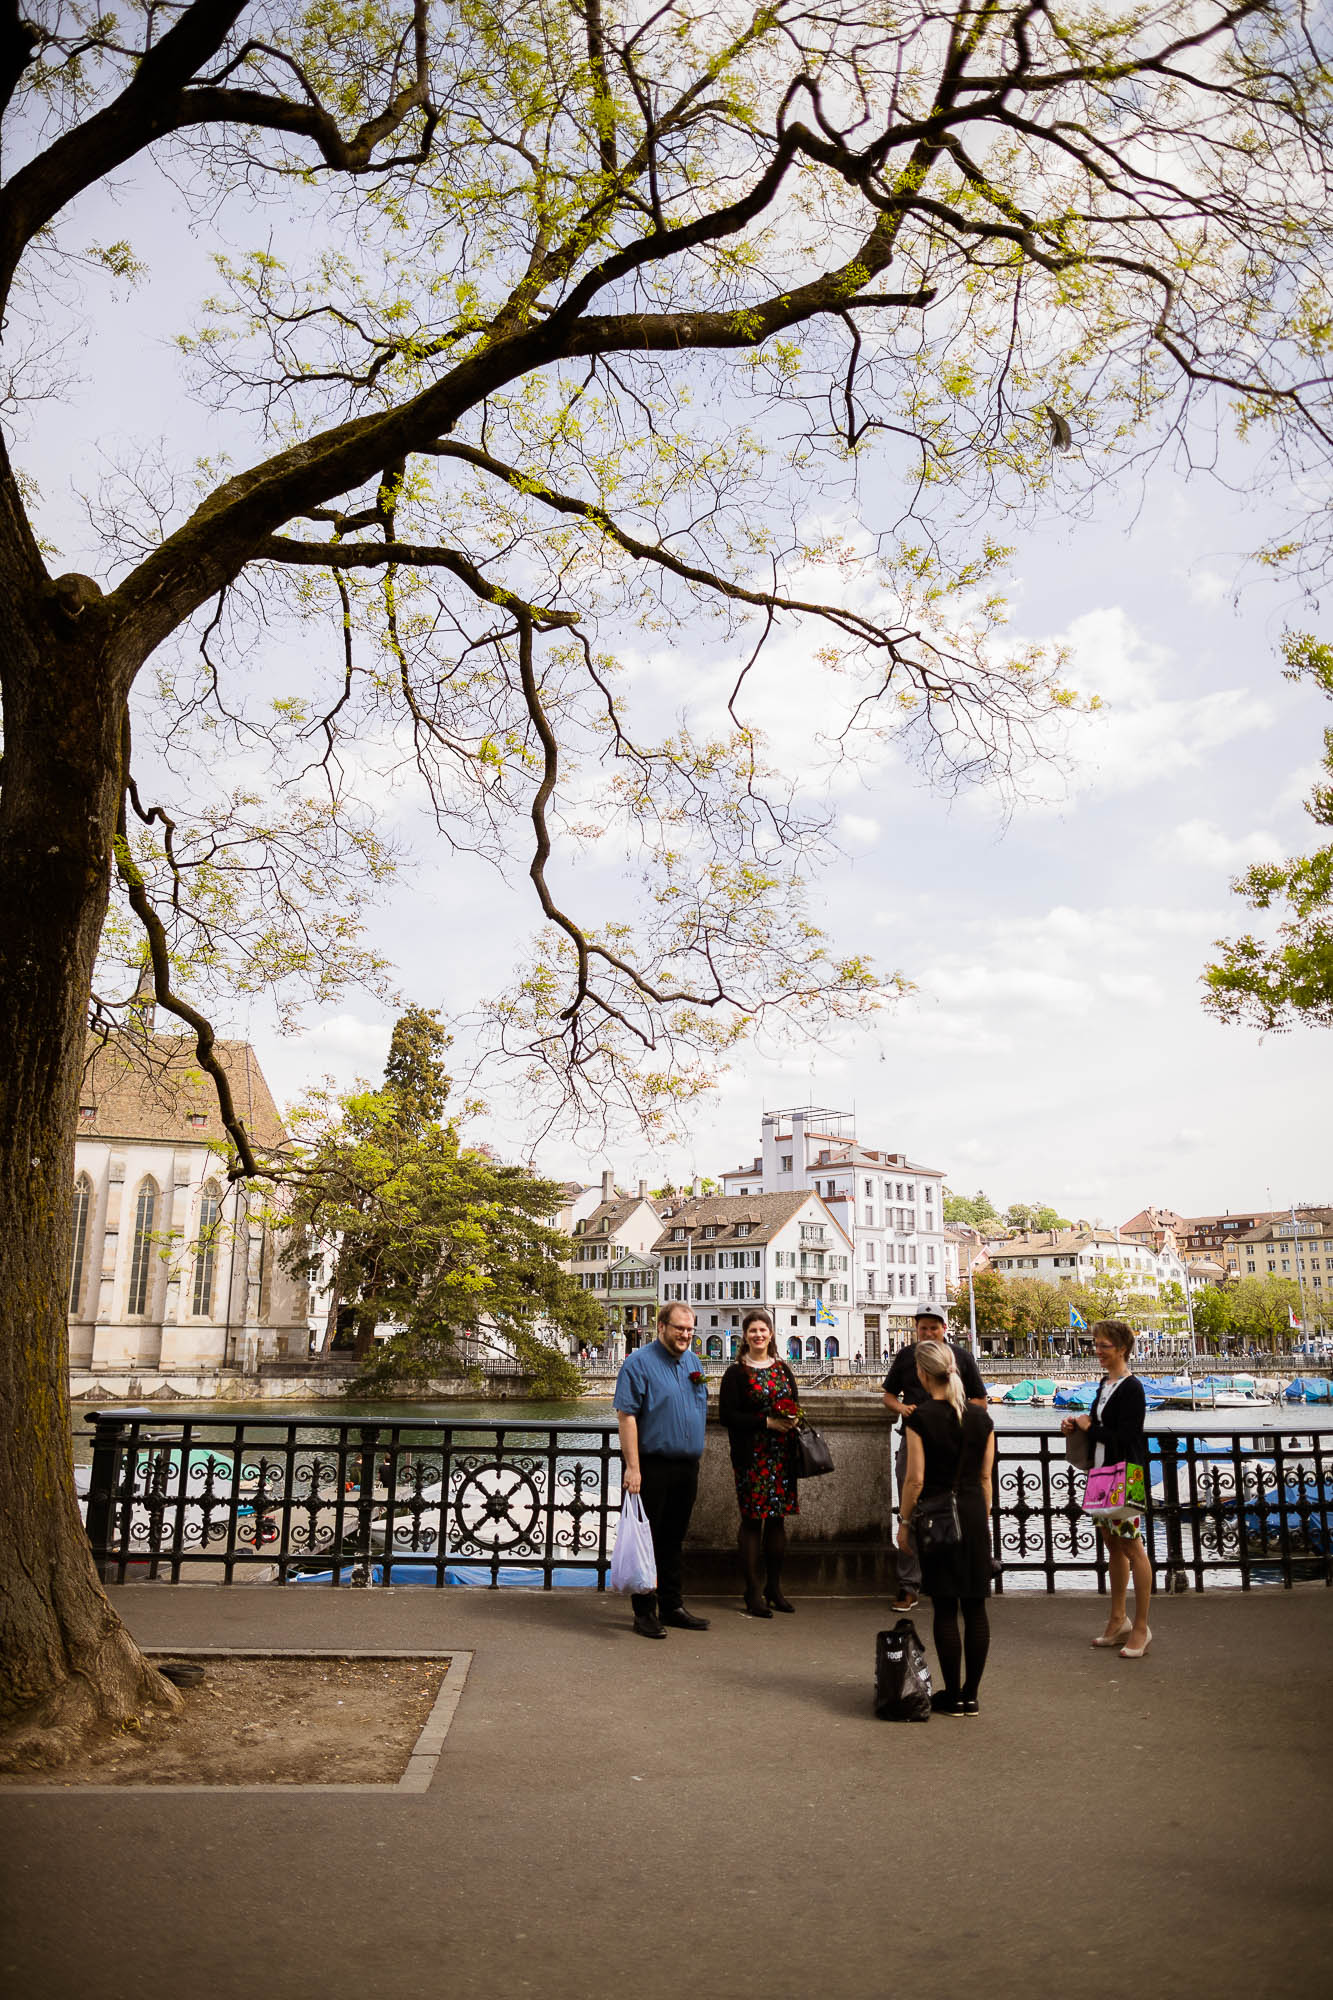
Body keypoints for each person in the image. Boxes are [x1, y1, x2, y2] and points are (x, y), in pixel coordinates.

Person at [895, 1338, 996, 1715]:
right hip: (972, 1511)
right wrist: (981, 1517)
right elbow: (986, 1478)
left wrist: (904, 1522)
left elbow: (915, 1479)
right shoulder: (981, 1418)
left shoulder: (919, 1417)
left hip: (938, 1515)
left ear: (922, 1374)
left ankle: (951, 1693)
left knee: (944, 1606)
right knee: (975, 1606)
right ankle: (971, 1695)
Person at [614, 1301, 710, 1639]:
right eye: (679, 1328)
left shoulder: (694, 1362)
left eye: (689, 1329)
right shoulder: (637, 1363)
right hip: (651, 1466)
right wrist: (633, 1468)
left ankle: (672, 1605)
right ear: (662, 1327)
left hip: (687, 1466)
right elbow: (626, 1416)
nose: (685, 1334)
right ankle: (645, 1612)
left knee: (674, 1538)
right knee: (647, 1540)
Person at [882, 1308, 988, 1612]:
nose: (927, 1334)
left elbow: (979, 1400)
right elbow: (889, 1395)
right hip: (913, 1438)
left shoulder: (961, 1357)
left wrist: (955, 1415)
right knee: (911, 1506)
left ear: (944, 1328)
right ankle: (909, 1584)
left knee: (952, 1508)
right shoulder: (905, 1357)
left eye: (933, 1328)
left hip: (950, 1445)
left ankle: (950, 1577)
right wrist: (901, 1409)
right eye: (922, 1329)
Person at [1062, 1319, 1153, 1658]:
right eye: (1096, 1344)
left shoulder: (1132, 1388)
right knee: (1113, 1545)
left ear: (1122, 1349)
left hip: (1126, 1475)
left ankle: (1141, 1628)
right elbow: (1099, 1426)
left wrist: (1090, 1426)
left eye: (1104, 1346)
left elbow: (1128, 1437)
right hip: (1101, 1474)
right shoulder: (1105, 1384)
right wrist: (1076, 1426)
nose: (1097, 1351)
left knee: (1133, 1548)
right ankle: (1118, 1620)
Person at [718, 1309, 802, 1617]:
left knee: (778, 1521)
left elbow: (794, 1401)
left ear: (770, 1334)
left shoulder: (782, 1368)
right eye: (753, 1330)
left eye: (763, 1330)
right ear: (745, 1336)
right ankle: (752, 1591)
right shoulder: (736, 1373)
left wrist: (792, 1418)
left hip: (781, 1455)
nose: (758, 1335)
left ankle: (774, 1588)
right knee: (753, 1521)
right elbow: (727, 1415)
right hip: (751, 1457)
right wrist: (765, 1422)